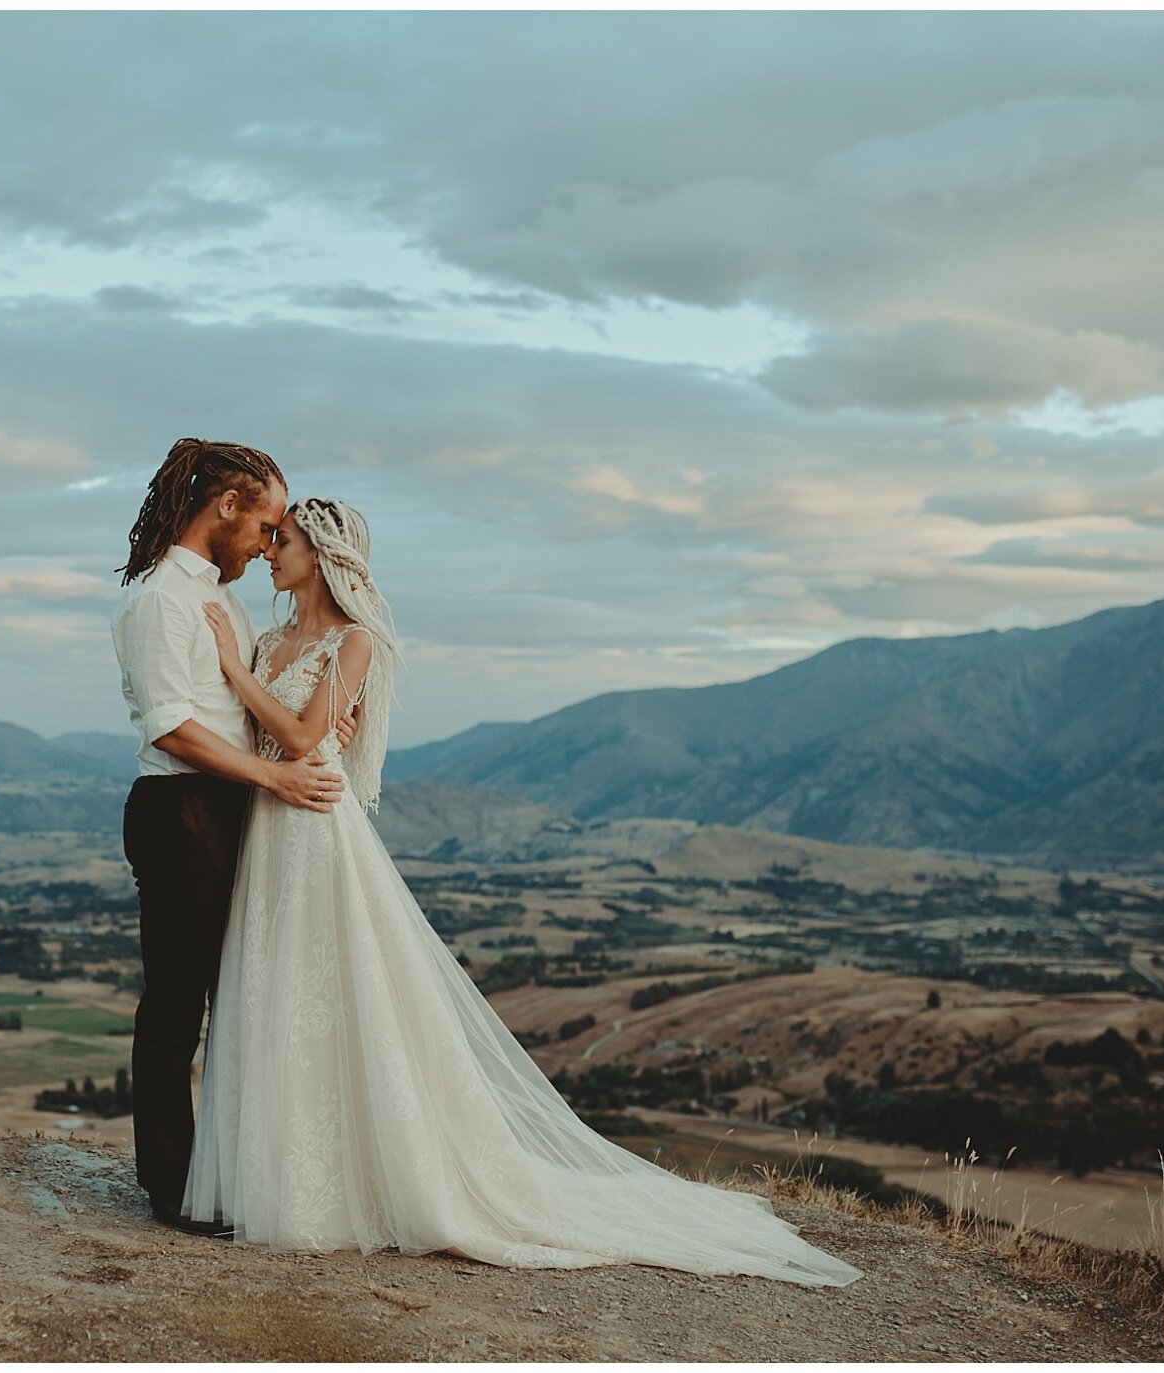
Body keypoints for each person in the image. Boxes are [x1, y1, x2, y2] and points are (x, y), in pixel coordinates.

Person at [180, 497, 864, 1288]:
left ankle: (352, 1186)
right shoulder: (270, 638)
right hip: (267, 829)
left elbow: (301, 738)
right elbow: (254, 735)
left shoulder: (353, 642)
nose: (270, 550)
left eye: (284, 539)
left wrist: (231, 666)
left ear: (324, 554)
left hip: (317, 833)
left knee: (329, 996)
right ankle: (287, 1180)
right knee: (278, 995)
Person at [109, 438, 351, 1236]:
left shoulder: (224, 599)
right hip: (182, 807)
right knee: (178, 1001)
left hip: (229, 801)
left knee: (239, 993)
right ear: (227, 507)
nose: (268, 540)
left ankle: (228, 1168)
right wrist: (278, 779)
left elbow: (248, 709)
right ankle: (171, 1186)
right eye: (266, 523)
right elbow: (174, 728)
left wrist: (316, 727)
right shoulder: (160, 601)